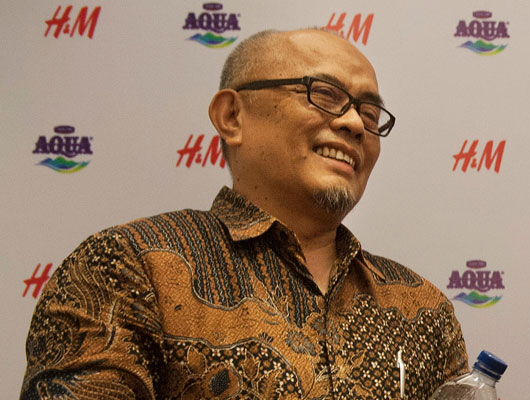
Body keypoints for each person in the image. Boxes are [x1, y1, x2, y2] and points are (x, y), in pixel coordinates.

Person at [21, 28, 468, 399]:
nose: (354, 124)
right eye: (324, 94)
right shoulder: (128, 266)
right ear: (232, 116)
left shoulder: (423, 307)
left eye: (369, 113)